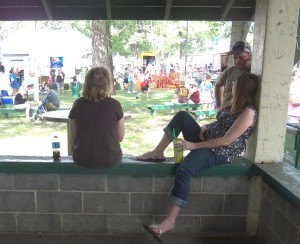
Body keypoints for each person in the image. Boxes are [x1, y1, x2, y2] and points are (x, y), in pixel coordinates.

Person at [137, 73, 259, 242]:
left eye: (235, 83)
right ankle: (158, 152)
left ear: (241, 88)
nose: (232, 84)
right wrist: (206, 125)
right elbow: (222, 124)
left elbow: (227, 140)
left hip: (220, 151)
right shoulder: (235, 105)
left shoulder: (248, 112)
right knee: (182, 116)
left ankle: (169, 221)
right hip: (208, 139)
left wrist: (194, 146)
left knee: (185, 170)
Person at [68, 66, 125, 169]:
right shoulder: (115, 105)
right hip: (110, 158)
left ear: (87, 83)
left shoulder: (78, 104)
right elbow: (120, 137)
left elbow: (73, 135)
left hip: (82, 158)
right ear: (108, 84)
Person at [215, 41, 252, 110]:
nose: (237, 61)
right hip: (225, 110)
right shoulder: (229, 70)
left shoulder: (253, 72)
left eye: (241, 57)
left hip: (239, 113)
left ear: (249, 55)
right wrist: (219, 105)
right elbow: (218, 85)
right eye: (234, 58)